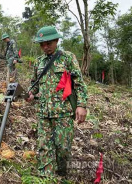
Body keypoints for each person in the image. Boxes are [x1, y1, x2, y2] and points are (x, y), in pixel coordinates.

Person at [26, 26, 88, 178]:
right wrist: (30, 93)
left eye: (48, 43)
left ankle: (62, 175)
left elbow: (79, 83)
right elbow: (34, 84)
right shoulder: (38, 62)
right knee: (44, 146)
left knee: (63, 148)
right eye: (42, 44)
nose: (45, 47)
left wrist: (81, 105)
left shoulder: (67, 57)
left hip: (63, 112)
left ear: (56, 40)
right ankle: (45, 178)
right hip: (43, 113)